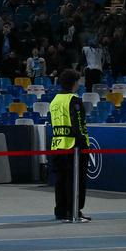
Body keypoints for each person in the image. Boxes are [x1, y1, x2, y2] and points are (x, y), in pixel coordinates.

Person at [49, 69, 89, 222]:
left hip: (57, 144)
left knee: (60, 180)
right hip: (73, 146)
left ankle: (61, 211)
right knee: (75, 181)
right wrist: (84, 144)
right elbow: (78, 124)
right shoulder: (74, 100)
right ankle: (74, 211)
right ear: (74, 83)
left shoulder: (55, 100)